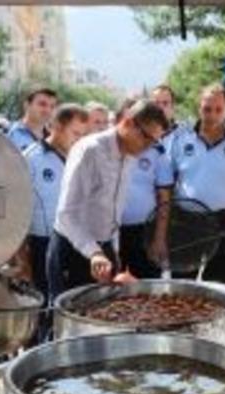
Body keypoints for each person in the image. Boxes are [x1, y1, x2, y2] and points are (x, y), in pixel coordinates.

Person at [47, 100, 169, 299]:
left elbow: (114, 208)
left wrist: (112, 250)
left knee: (103, 318)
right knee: (69, 323)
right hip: (73, 248)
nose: (148, 147)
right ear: (128, 123)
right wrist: (93, 252)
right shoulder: (90, 150)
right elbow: (66, 214)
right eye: (146, 138)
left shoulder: (131, 154)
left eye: (154, 142)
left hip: (103, 250)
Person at [154, 83, 225, 285]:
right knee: (182, 289)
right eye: (207, 109)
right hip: (186, 221)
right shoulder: (178, 139)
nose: (212, 115)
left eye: (219, 109)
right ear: (198, 107)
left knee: (219, 290)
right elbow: (165, 190)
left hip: (224, 222)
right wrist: (162, 234)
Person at [22, 103, 89, 344]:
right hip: (42, 243)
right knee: (46, 308)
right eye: (76, 134)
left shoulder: (82, 156)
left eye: (84, 135)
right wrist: (21, 257)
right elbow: (19, 209)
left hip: (75, 242)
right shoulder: (32, 158)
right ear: (58, 127)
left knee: (74, 305)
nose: (80, 140)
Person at [119, 86, 182, 279]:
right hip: (112, 230)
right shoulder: (108, 150)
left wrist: (159, 239)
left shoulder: (157, 152)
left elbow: (164, 197)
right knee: (112, 291)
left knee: (148, 288)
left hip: (144, 231)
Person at [7, 87, 59, 151]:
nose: (48, 110)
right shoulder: (9, 134)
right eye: (42, 104)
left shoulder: (54, 141)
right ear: (27, 105)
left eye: (52, 106)